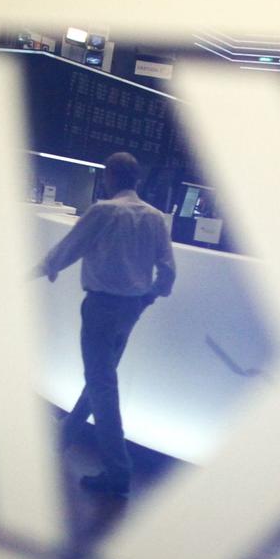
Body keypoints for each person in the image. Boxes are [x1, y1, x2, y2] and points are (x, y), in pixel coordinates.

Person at [36, 152, 176, 495]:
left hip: (100, 307)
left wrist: (36, 272)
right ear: (136, 179)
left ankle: (118, 471)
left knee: (102, 386)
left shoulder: (103, 211)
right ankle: (65, 435)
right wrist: (147, 298)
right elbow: (168, 271)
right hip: (131, 310)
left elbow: (67, 250)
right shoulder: (155, 218)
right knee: (101, 379)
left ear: (109, 176)